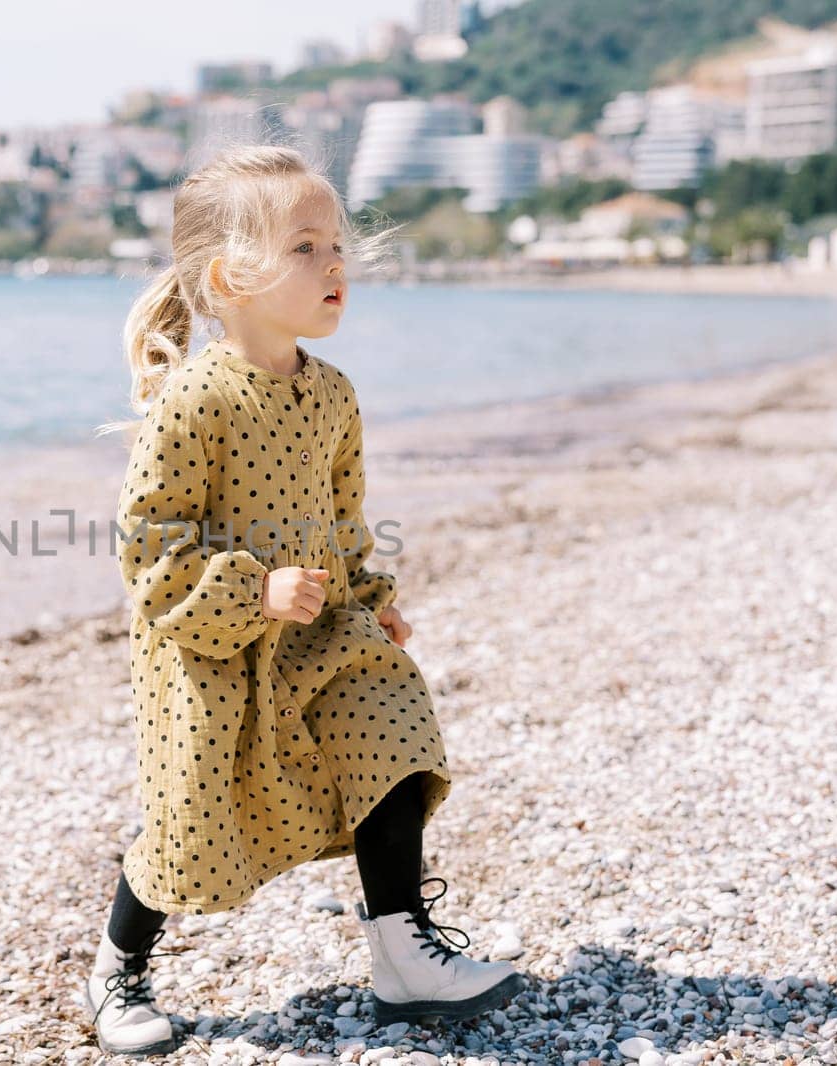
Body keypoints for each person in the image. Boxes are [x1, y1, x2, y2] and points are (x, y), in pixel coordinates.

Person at [85, 144, 526, 1056]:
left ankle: (403, 947)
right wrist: (253, 591)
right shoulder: (196, 400)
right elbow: (149, 545)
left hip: (324, 634)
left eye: (336, 245)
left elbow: (344, 518)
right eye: (305, 248)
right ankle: (119, 967)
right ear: (229, 277)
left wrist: (370, 596)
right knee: (191, 821)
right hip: (212, 652)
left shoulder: (332, 395)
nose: (336, 266)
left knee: (394, 727)